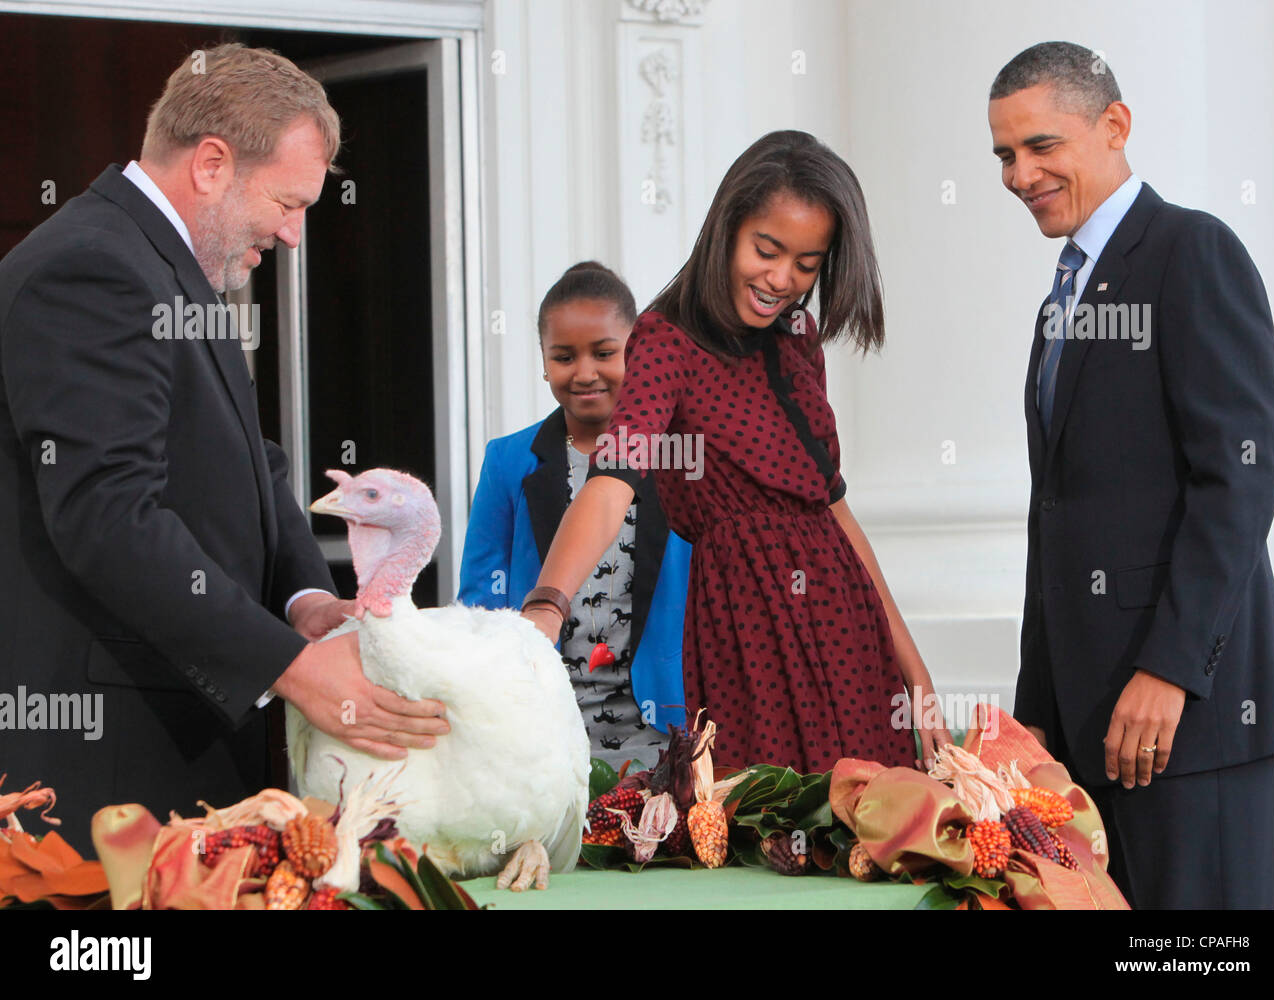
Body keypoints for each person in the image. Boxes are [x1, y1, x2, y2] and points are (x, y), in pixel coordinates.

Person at [0, 44, 447, 855]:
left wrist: (306, 602)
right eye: (287, 201)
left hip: (179, 753)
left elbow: (254, 463)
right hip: (109, 774)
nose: (294, 234)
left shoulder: (172, 268)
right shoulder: (91, 268)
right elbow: (108, 515)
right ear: (211, 164)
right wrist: (292, 668)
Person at [519, 131, 950, 774]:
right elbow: (612, 484)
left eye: (807, 263)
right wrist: (547, 604)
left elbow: (832, 509)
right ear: (728, 227)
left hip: (846, 625)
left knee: (874, 818)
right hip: (745, 629)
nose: (783, 279)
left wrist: (915, 675)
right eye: (767, 250)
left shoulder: (801, 337)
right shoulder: (665, 339)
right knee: (775, 825)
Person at [988, 41, 1274, 908]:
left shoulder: (1192, 250)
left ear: (1115, 126)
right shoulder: (1062, 299)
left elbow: (1236, 481)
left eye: (1041, 146)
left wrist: (1169, 671)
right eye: (1005, 155)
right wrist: (1033, 711)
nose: (1020, 174)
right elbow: (1058, 515)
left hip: (1192, 718)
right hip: (1084, 731)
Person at [458, 261, 691, 769]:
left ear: (638, 352)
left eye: (604, 353)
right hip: (542, 732)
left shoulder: (680, 456)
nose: (584, 373)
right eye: (563, 357)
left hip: (666, 731)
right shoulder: (508, 461)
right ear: (544, 363)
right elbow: (480, 600)